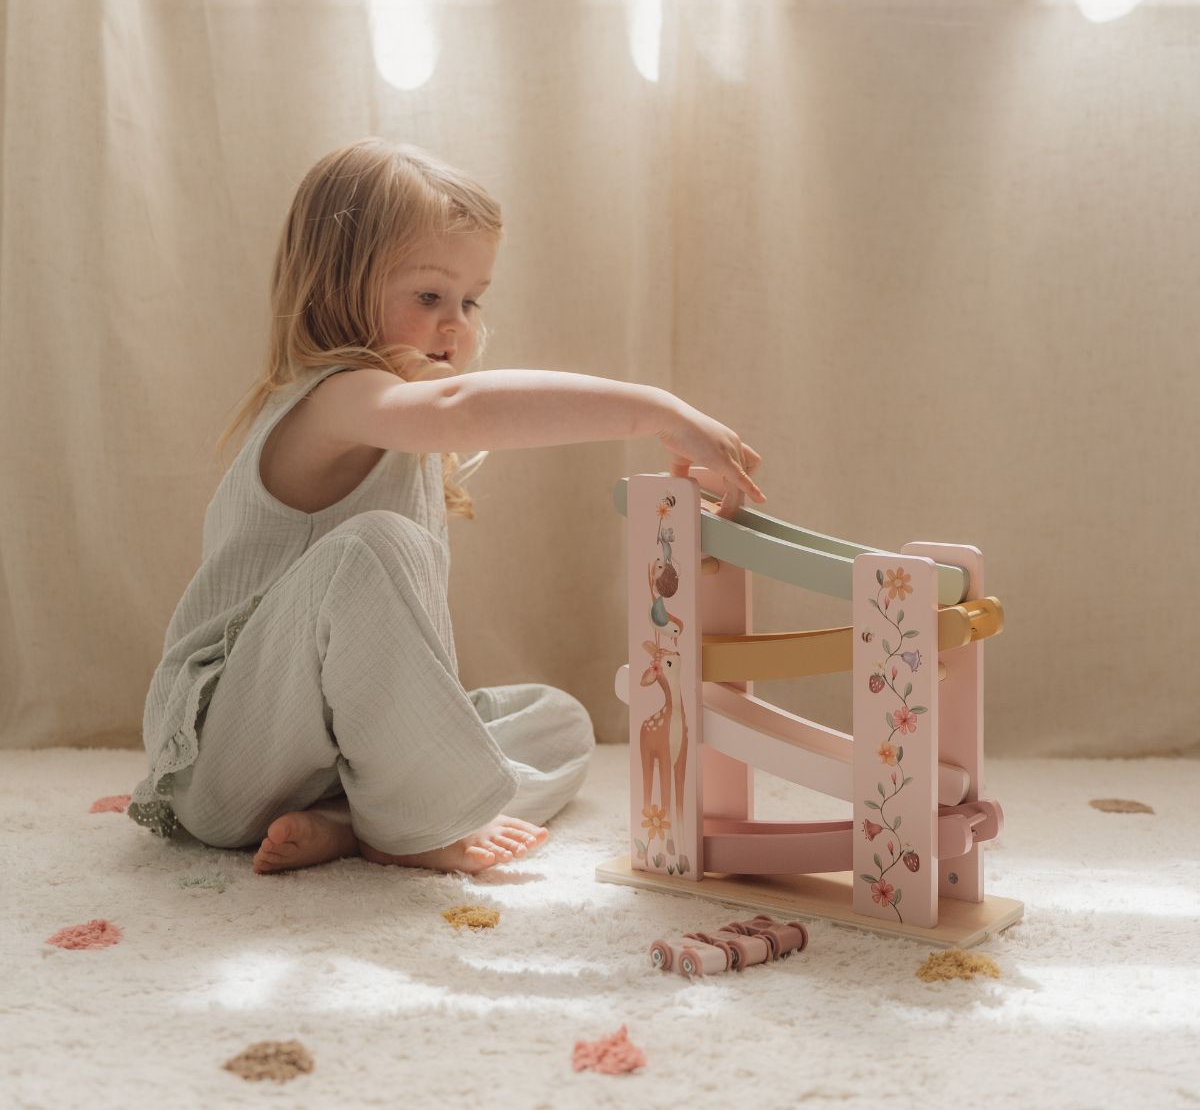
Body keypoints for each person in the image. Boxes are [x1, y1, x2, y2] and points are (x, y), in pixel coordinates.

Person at [128, 138, 766, 878]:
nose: (456, 323)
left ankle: (353, 820)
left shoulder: (393, 423)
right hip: (226, 764)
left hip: (317, 762)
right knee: (373, 546)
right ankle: (416, 824)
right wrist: (655, 410)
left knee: (557, 721)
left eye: (470, 300)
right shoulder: (333, 400)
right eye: (429, 297)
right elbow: (459, 409)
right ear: (338, 287)